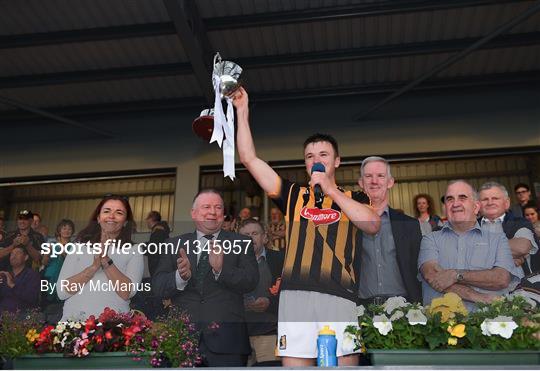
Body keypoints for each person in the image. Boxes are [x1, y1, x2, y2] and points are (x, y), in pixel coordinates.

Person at [233, 87, 380, 366]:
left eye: (323, 155)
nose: (316, 161)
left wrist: (330, 190)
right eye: (310, 156)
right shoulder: (293, 195)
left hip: (338, 296)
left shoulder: (354, 198)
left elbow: (373, 225)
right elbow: (250, 160)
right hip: (295, 297)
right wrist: (242, 111)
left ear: (337, 161)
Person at [153, 189, 259, 367]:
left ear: (223, 214)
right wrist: (180, 277)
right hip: (182, 340)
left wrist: (221, 270)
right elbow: (157, 287)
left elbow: (251, 281)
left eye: (218, 207)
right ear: (193, 213)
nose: (212, 212)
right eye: (206, 207)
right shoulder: (174, 244)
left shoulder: (241, 242)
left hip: (228, 343)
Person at [418, 180, 523, 311]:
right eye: (450, 199)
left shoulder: (498, 239)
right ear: (445, 207)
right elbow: (432, 275)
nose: (455, 204)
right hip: (440, 327)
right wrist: (479, 297)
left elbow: (501, 278)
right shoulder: (430, 239)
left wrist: (455, 275)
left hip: (488, 326)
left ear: (476, 206)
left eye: (462, 198)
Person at [56, 195, 144, 321]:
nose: (111, 216)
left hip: (114, 328)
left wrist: (106, 260)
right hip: (74, 326)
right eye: (106, 211)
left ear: (125, 221)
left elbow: (127, 293)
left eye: (119, 212)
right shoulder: (79, 246)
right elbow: (62, 292)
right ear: (98, 218)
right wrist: (93, 267)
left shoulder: (134, 250)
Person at [357, 157, 423, 305]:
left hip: (403, 309)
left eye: (380, 176)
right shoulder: (349, 225)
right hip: (360, 309)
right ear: (361, 183)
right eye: (368, 176)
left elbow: (419, 269)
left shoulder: (409, 224)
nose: (374, 181)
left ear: (390, 182)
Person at [239, 218, 284, 366]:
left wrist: (269, 303)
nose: (249, 238)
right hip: (238, 336)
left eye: (254, 233)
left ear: (264, 238)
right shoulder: (229, 262)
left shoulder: (280, 260)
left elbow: (289, 294)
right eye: (245, 235)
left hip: (269, 334)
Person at [478, 182, 538, 276]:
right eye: (485, 199)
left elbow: (521, 248)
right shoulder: (469, 227)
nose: (490, 203)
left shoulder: (521, 223)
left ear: (506, 203)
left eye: (495, 198)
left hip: (519, 287)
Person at [42, 219, 75, 303]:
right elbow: (44, 263)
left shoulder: (75, 247)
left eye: (69, 229)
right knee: (45, 303)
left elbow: (71, 261)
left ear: (72, 231)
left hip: (65, 278)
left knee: (60, 302)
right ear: (59, 231)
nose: (67, 230)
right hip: (49, 277)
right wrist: (47, 254)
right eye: (64, 228)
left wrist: (62, 249)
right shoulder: (52, 245)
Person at [0, 246, 40, 314]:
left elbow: (31, 298)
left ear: (26, 257)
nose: (14, 256)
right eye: (12, 254)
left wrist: (12, 285)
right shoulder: (4, 275)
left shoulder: (32, 275)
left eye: (18, 253)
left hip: (22, 316)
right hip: (2, 314)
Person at [144, 211, 170, 277]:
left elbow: (153, 248)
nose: (146, 221)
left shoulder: (158, 231)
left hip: (157, 267)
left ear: (151, 219)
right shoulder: (159, 230)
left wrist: (139, 248)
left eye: (147, 218)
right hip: (160, 266)